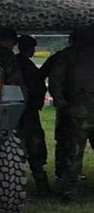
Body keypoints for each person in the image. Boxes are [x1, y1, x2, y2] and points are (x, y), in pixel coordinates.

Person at [49, 27, 94, 201]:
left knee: (74, 151)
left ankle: (70, 190)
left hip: (77, 111)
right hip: (80, 109)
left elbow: (55, 80)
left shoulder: (69, 55)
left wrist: (61, 103)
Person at [16, 35, 50, 195]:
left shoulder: (16, 62)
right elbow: (37, 86)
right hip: (27, 112)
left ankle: (19, 187)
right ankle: (41, 186)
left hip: (20, 111)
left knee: (24, 147)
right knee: (34, 147)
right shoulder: (26, 65)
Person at [40, 33, 75, 182]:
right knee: (65, 140)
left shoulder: (64, 56)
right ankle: (64, 174)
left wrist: (59, 100)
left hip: (68, 105)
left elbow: (46, 75)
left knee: (65, 141)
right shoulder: (65, 56)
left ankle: (64, 174)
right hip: (70, 104)